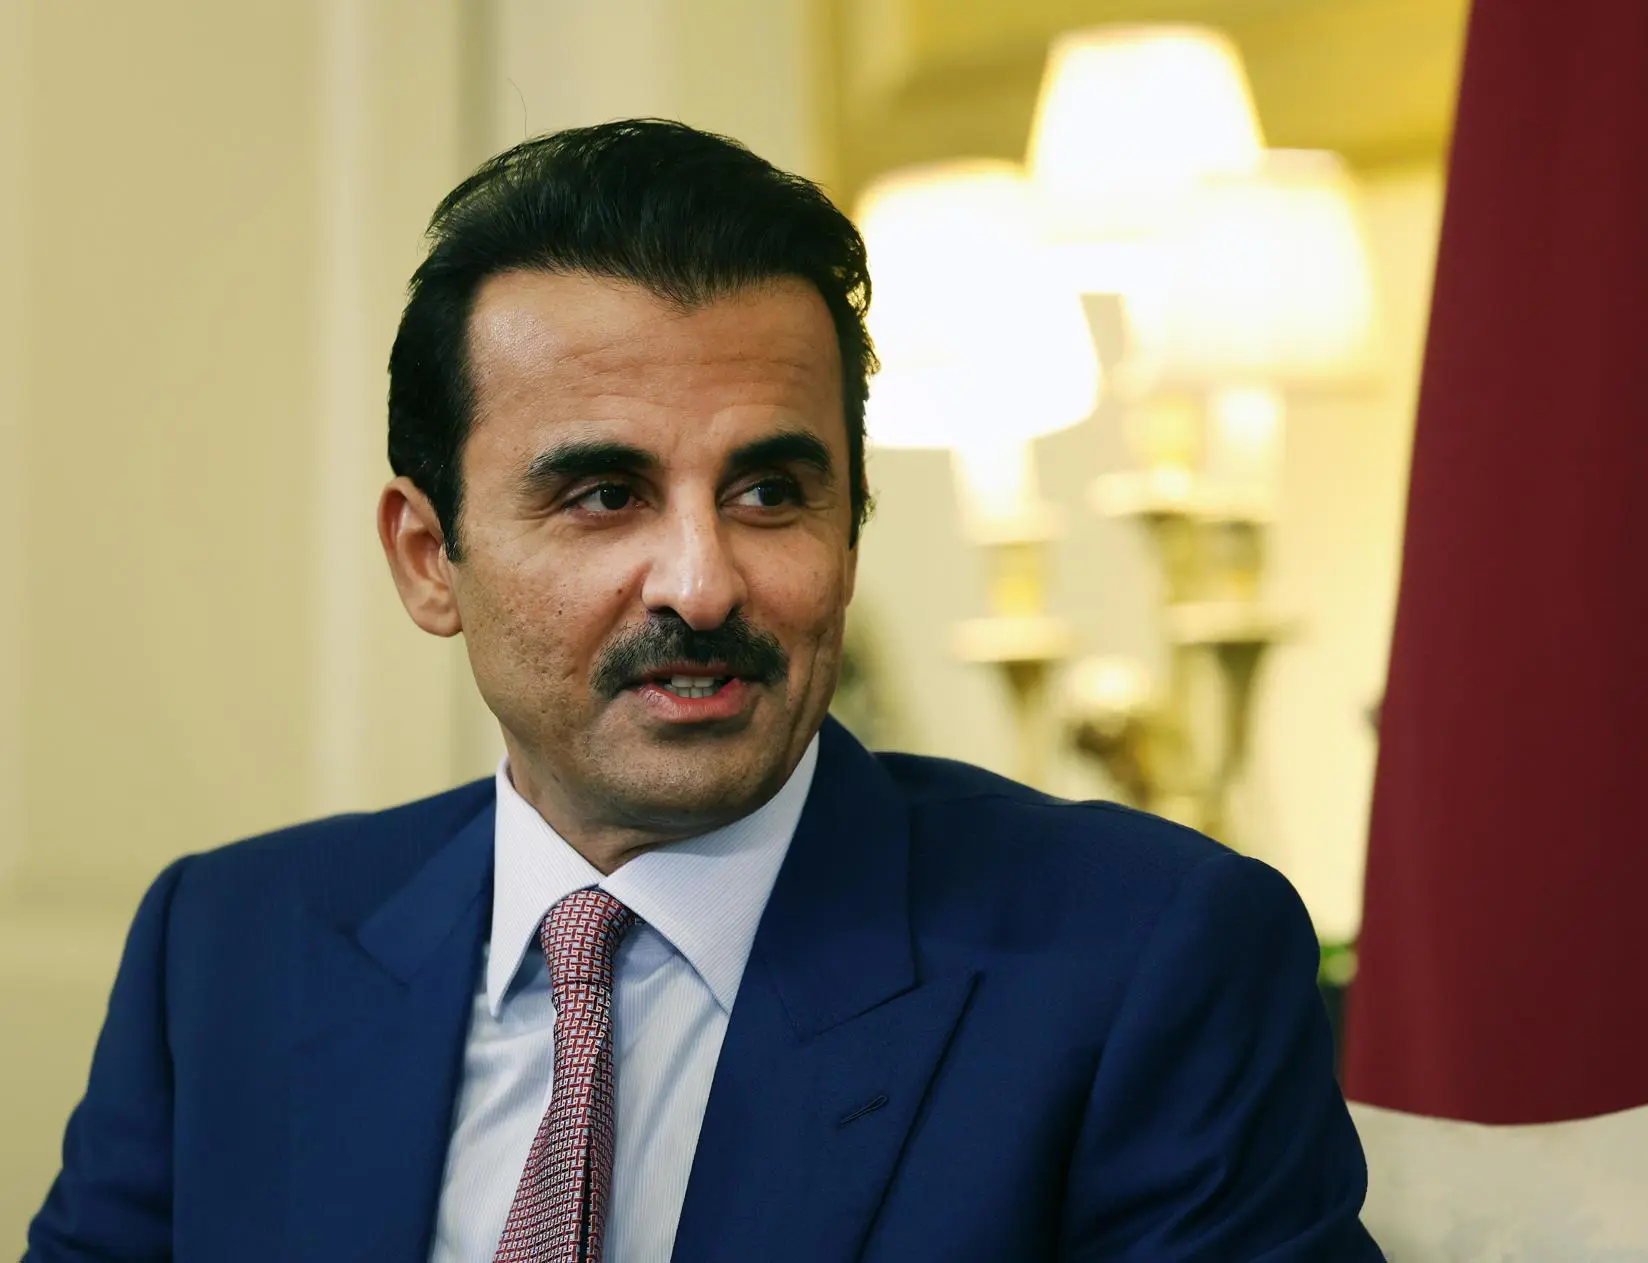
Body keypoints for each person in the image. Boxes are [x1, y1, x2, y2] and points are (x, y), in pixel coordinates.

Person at [25, 119, 1382, 1262]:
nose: (704, 584)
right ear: (431, 559)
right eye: (604, 495)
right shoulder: (229, 949)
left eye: (770, 492)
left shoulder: (1146, 961)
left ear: (851, 530)